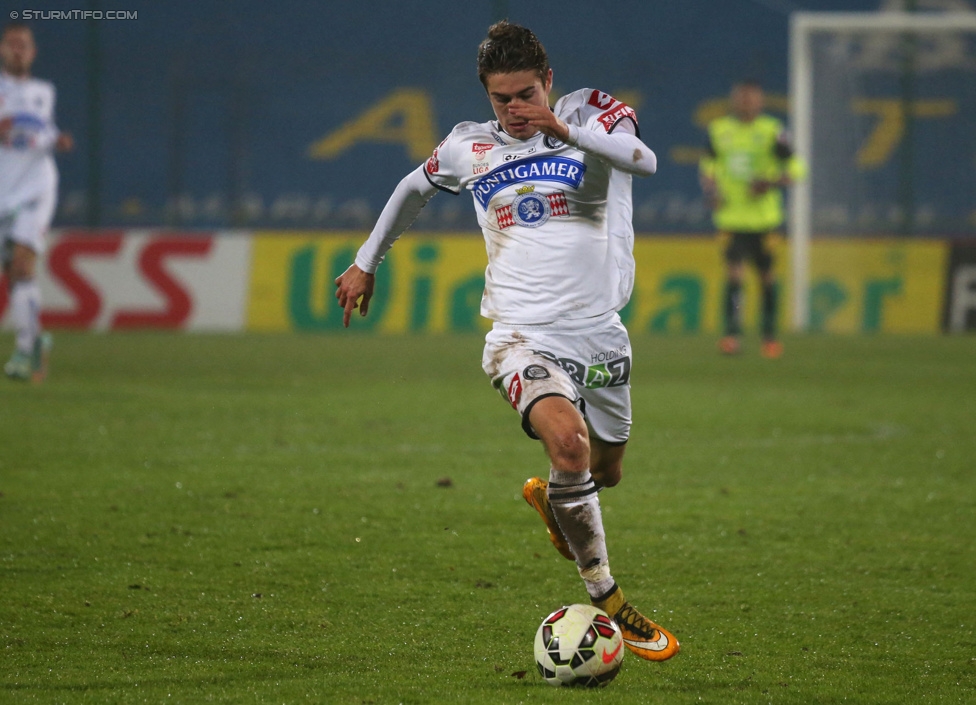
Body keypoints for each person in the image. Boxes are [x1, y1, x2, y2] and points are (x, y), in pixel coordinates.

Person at [334, 21, 679, 662]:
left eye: (526, 94)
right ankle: (608, 598)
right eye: (502, 99)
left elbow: (646, 162)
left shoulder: (594, 113)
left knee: (607, 471)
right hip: (520, 336)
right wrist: (366, 261)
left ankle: (556, 501)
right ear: (486, 97)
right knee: (570, 447)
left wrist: (565, 131)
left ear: (549, 81)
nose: (516, 110)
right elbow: (412, 188)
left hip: (601, 335)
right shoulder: (470, 147)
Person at [699, 80, 804, 359]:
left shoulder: (772, 131)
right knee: (735, 275)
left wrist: (770, 182)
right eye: (741, 97)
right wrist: (711, 188)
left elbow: (796, 167)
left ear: (760, 101)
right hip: (731, 218)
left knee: (767, 277)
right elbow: (708, 165)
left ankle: (769, 336)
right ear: (734, 100)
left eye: (751, 98)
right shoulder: (719, 130)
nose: (746, 103)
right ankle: (732, 334)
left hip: (764, 220)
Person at [1, 22, 73, 382]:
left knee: (22, 265)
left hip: (36, 187)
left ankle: (25, 351)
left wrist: (57, 140)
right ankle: (36, 340)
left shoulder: (45, 91)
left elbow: (43, 130)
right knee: (13, 276)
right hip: (2, 190)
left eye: (23, 45)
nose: (17, 50)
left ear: (33, 52)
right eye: (11, 44)